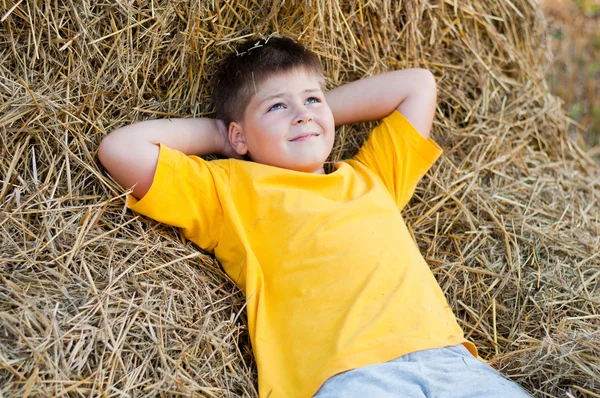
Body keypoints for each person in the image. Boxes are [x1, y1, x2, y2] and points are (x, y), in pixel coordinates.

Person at [98, 36, 530, 398]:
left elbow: (417, 85)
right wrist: (221, 135)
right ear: (238, 135)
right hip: (346, 377)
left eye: (310, 99)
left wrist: (313, 114)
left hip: (450, 361)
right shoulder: (229, 189)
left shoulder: (372, 176)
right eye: (276, 108)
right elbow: (121, 150)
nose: (302, 112)